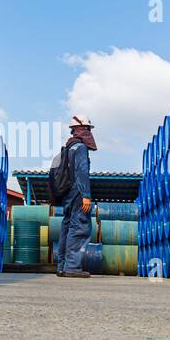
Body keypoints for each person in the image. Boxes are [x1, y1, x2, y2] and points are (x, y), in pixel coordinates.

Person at [54, 114, 96, 278]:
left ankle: (62, 267)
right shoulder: (80, 148)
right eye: (88, 129)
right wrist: (86, 195)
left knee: (67, 229)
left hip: (68, 195)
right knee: (80, 228)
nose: (89, 132)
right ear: (82, 129)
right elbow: (81, 171)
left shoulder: (68, 147)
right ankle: (72, 267)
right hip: (78, 193)